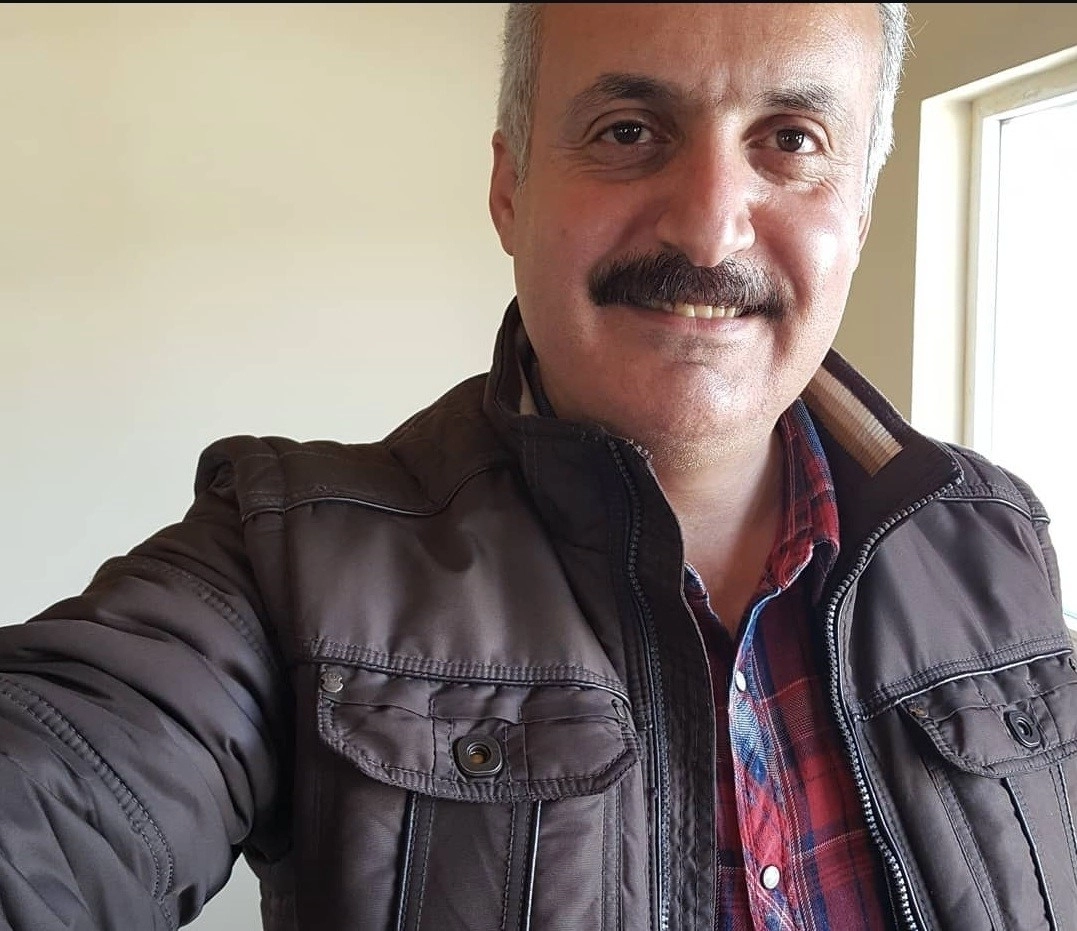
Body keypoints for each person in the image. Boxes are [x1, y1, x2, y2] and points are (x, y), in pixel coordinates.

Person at [0, 3, 1073, 929]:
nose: (708, 229)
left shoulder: (993, 535)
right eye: (628, 130)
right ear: (511, 189)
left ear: (860, 214)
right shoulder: (278, 566)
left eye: (791, 139)